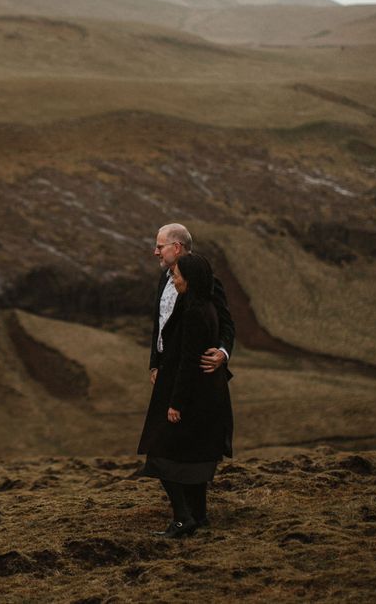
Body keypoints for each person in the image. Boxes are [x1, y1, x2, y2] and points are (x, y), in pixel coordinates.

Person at [138, 253, 234, 538]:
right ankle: (198, 515)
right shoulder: (199, 304)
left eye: (178, 276)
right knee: (194, 452)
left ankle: (183, 518)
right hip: (198, 390)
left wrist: (175, 403)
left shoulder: (195, 310)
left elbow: (189, 360)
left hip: (187, 390)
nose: (173, 278)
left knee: (160, 452)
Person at [149, 223, 235, 387]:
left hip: (195, 375)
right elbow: (159, 324)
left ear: (176, 247)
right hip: (165, 370)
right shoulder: (164, 279)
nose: (156, 252)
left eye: (160, 247)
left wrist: (223, 353)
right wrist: (154, 364)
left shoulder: (207, 281)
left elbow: (226, 322)